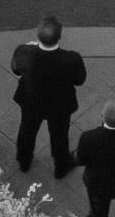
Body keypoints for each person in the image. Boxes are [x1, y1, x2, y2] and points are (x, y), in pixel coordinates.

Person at [11, 15, 86, 175]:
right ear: (59, 36)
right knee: (59, 136)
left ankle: (24, 161)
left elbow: (16, 69)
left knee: (27, 131)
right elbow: (80, 80)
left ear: (38, 36)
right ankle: (61, 167)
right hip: (60, 105)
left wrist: (28, 47)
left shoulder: (24, 52)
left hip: (31, 102)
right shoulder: (71, 58)